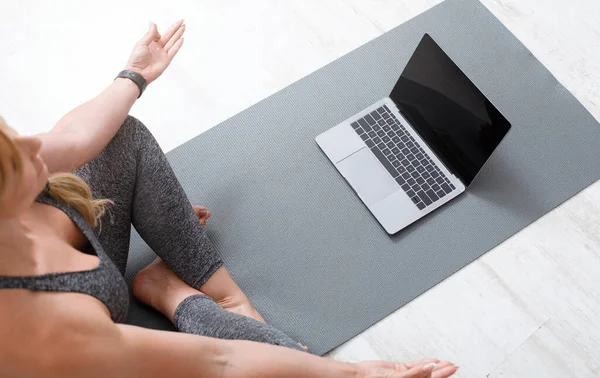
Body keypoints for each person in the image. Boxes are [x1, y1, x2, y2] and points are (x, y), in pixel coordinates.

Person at [0, 20, 459, 378]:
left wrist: (136, 73)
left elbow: (72, 136)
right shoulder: (41, 326)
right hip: (96, 351)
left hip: (83, 296)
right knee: (279, 364)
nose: (31, 145)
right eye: (15, 159)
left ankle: (226, 295)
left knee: (119, 136)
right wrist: (352, 373)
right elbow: (218, 362)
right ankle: (170, 292)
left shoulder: (20, 171)